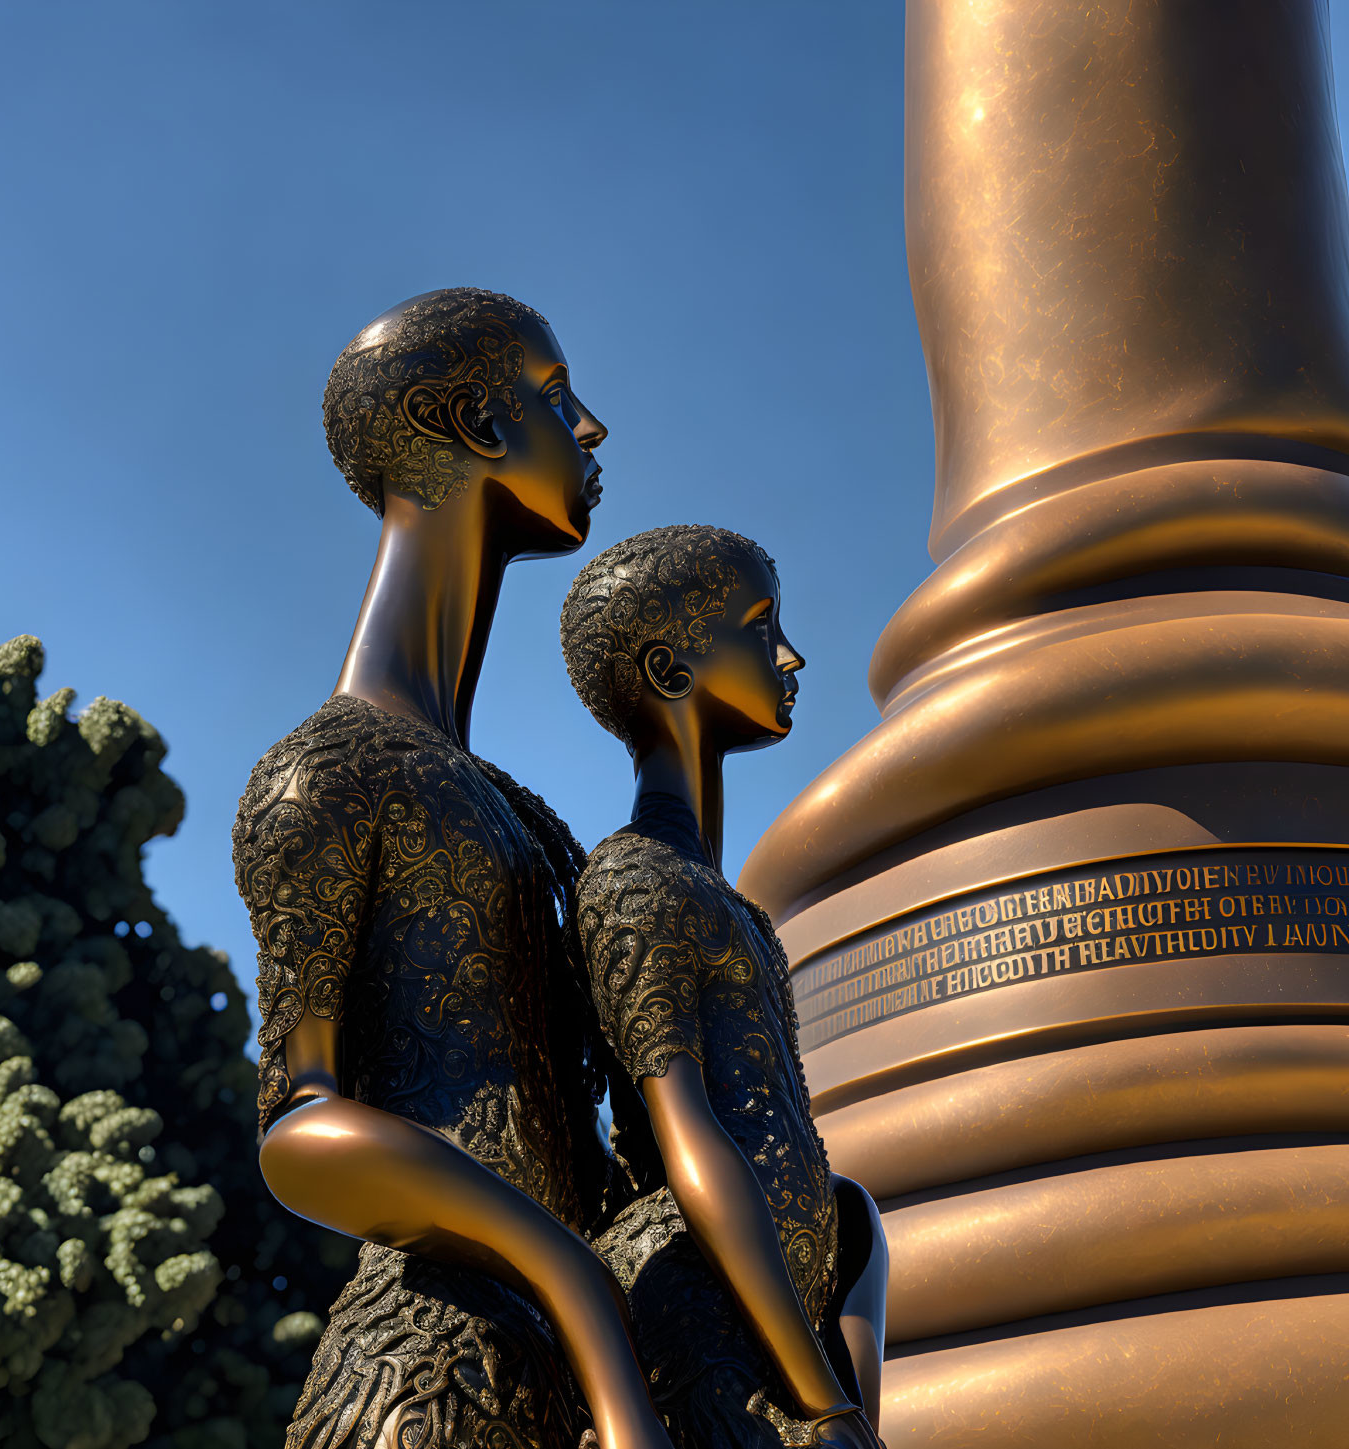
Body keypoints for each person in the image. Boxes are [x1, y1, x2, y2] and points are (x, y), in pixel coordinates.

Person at [232, 290, 672, 1449]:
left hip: (588, 1377)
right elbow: (298, 1123)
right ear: (476, 421)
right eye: (554, 396)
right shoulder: (321, 774)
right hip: (428, 1382)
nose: (594, 430)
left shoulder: (529, 816)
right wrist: (570, 1278)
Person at [560, 526, 889, 1449]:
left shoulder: (727, 903)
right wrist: (819, 1396)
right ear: (670, 668)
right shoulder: (632, 880)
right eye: (757, 626)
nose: (789, 656)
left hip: (786, 1324)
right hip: (703, 1330)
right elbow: (686, 1129)